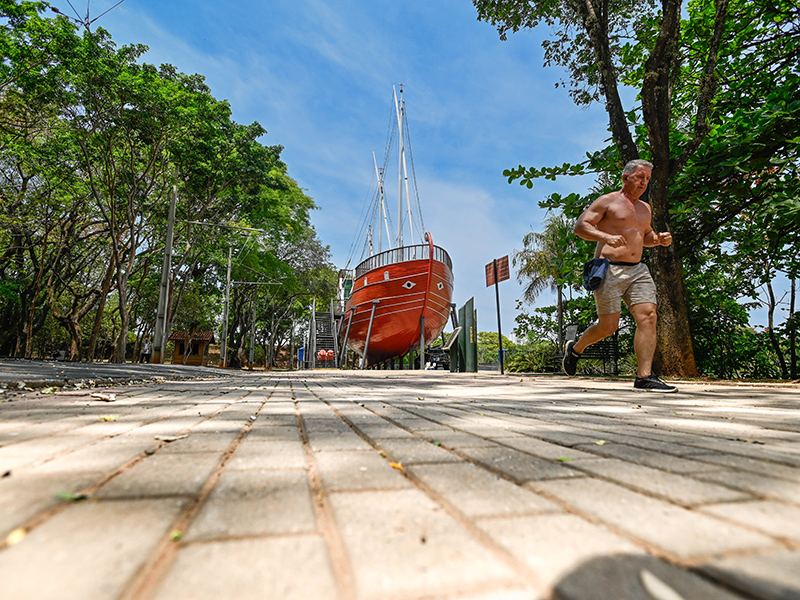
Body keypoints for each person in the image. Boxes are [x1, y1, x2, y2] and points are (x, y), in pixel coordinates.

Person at [563, 159, 677, 392]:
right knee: (608, 326)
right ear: (626, 178)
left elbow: (645, 236)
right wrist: (605, 237)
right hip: (609, 268)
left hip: (637, 270)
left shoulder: (645, 208)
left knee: (648, 316)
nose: (644, 183)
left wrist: (659, 239)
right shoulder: (608, 201)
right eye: (640, 177)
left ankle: (644, 377)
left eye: (647, 179)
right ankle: (575, 349)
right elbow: (580, 226)